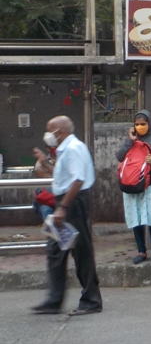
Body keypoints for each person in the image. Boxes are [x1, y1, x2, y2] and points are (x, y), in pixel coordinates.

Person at [32, 116, 102, 316]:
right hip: (67, 202)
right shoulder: (65, 149)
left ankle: (91, 300)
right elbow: (65, 176)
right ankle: (54, 300)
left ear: (60, 132)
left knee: (81, 251)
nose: (48, 135)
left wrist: (62, 207)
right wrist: (45, 164)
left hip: (73, 203)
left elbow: (78, 180)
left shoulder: (73, 149)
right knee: (55, 249)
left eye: (50, 130)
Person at [116, 110, 151, 264]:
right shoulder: (130, 140)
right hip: (131, 185)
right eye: (137, 124)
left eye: (143, 124)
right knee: (136, 217)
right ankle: (141, 251)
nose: (140, 127)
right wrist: (130, 140)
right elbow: (119, 157)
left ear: (149, 124)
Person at [31, 146, 57, 221]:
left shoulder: (66, 159)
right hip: (45, 200)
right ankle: (52, 231)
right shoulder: (41, 160)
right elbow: (40, 173)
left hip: (62, 198)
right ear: (48, 148)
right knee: (46, 210)